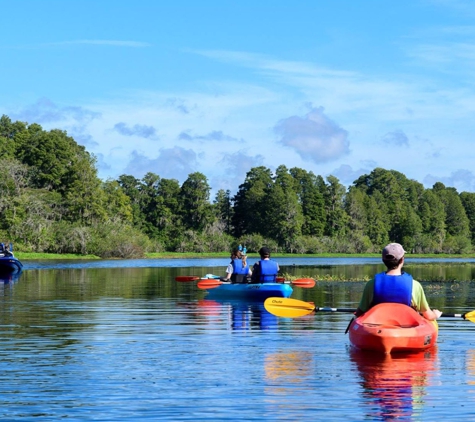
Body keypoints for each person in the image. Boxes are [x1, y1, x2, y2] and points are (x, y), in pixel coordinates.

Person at [355, 243, 442, 321]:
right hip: (406, 328)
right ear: (402, 260)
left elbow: (359, 313)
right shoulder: (415, 285)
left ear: (383, 260)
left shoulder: (371, 284)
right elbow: (429, 316)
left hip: (378, 327)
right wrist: (436, 314)